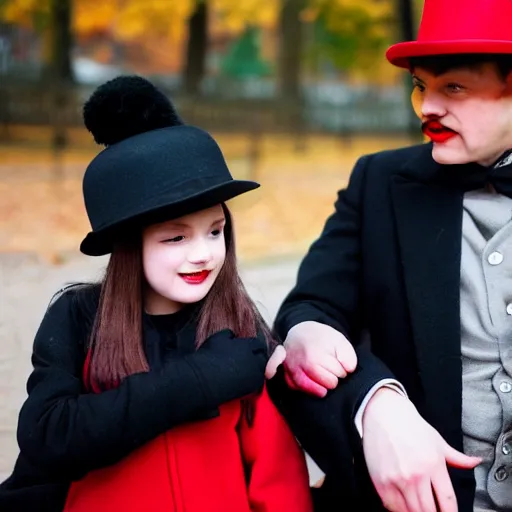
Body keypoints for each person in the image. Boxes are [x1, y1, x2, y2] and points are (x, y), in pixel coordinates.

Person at [0, 76, 312, 512]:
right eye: (175, 239)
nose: (203, 254)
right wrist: (201, 380)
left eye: (215, 231)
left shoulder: (237, 329)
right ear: (131, 244)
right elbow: (48, 436)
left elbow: (277, 480)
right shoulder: (78, 319)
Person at [265, 0, 512, 510]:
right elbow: (307, 316)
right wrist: (374, 402)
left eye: (454, 88)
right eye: (421, 86)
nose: (427, 108)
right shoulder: (378, 183)